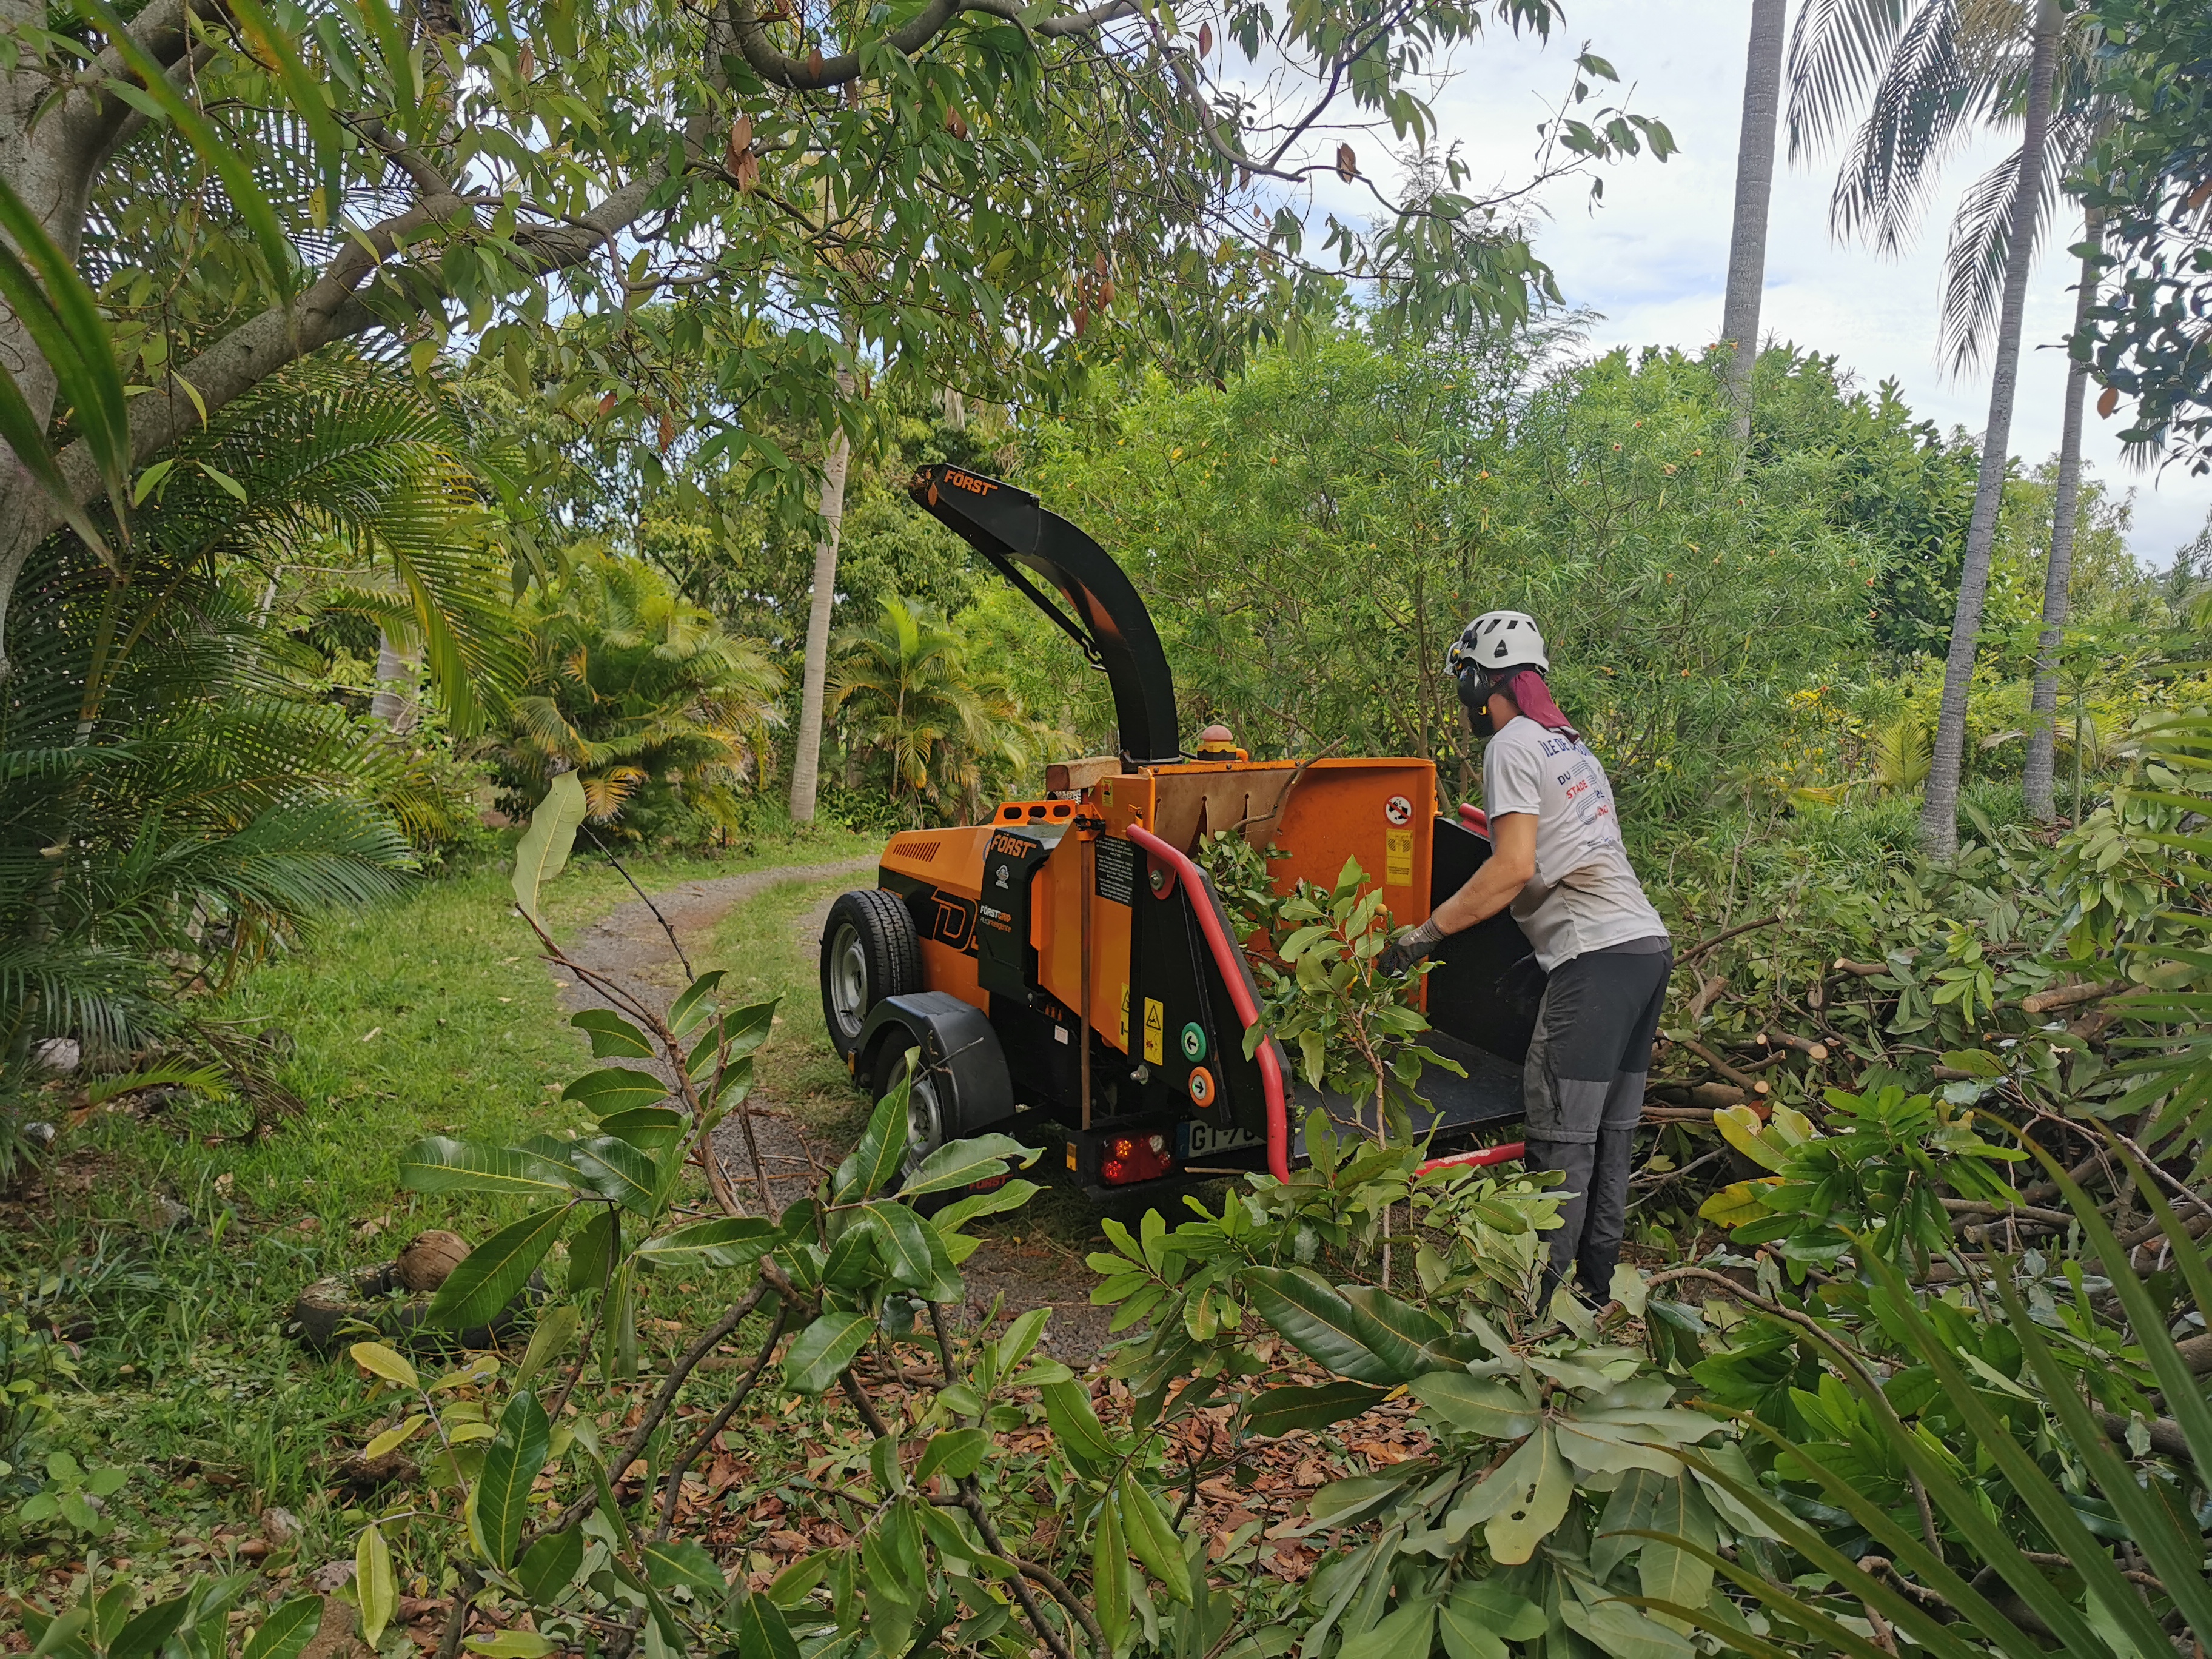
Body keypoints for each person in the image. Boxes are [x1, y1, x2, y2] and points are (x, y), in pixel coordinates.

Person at [1379, 611, 1671, 1310]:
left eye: (1465, 684)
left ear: (1484, 683)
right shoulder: (1569, 747)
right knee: (1611, 1137)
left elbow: (1510, 868)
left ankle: (1537, 1311)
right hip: (1645, 951)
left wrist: (1422, 936)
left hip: (1595, 961)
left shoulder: (1511, 745)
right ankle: (1593, 1298)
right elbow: (1561, 858)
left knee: (1563, 1139)